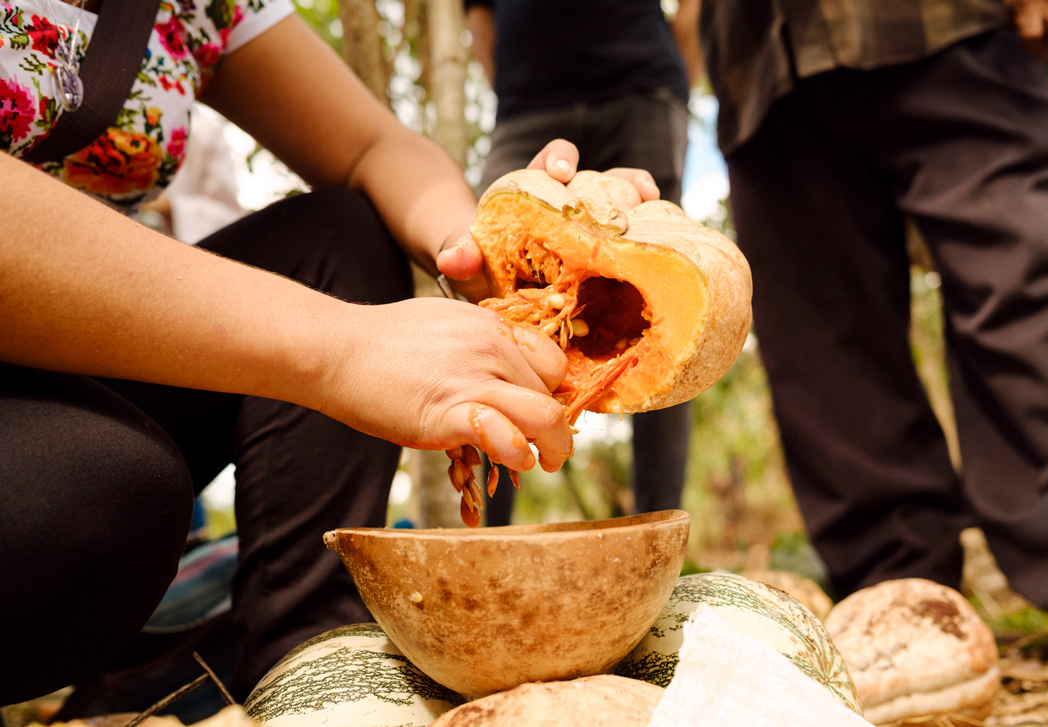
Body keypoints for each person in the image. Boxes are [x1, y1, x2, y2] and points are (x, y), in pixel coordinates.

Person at [0, 0, 662, 706]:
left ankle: (307, 671)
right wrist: (342, 349)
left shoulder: (195, 8)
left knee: (344, 234)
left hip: (78, 367)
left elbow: (372, 148)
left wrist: (491, 248)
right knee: (95, 500)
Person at [700, 0, 1048, 620]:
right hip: (762, 68)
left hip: (950, 24)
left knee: (1018, 297)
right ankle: (905, 604)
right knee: (823, 350)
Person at [462, 0, 703, 524]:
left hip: (642, 89)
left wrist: (678, 78)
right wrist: (510, 85)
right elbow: (477, 13)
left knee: (671, 312)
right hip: (526, 105)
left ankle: (658, 534)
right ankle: (489, 535)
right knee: (492, 302)